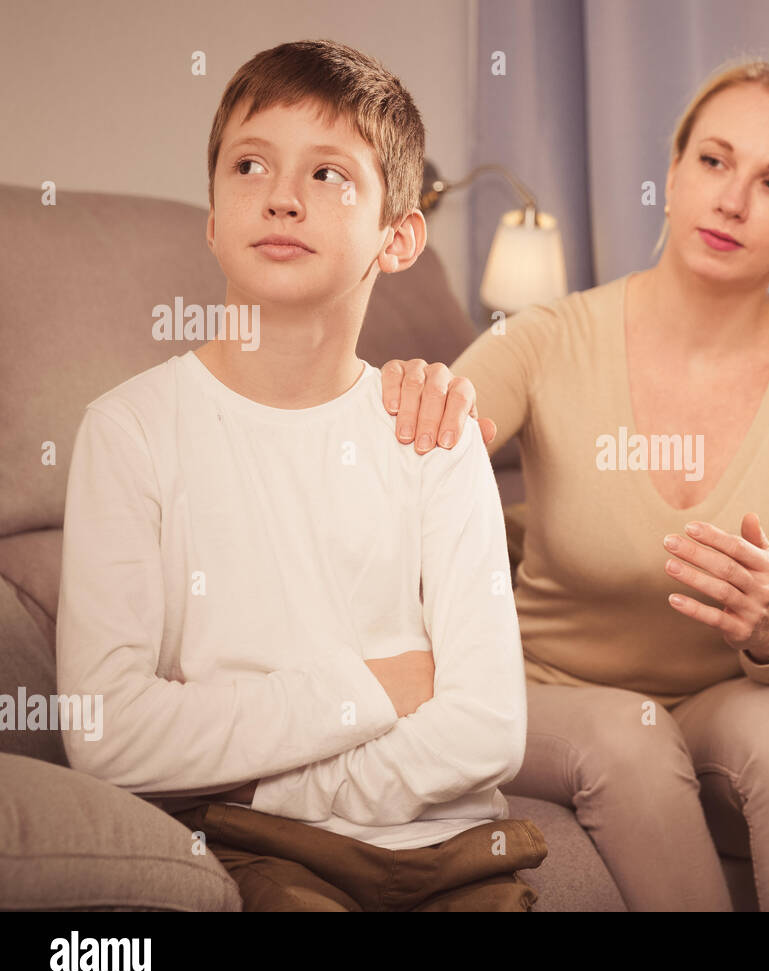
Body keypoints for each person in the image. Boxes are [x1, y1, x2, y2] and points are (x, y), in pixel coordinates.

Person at [383, 57, 769, 910]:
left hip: (720, 700)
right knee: (632, 729)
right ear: (674, 171)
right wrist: (415, 408)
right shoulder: (547, 339)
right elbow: (418, 464)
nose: (731, 199)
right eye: (715, 161)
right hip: (545, 691)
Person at [56, 39, 545, 912]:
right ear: (211, 216)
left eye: (329, 175)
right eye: (250, 165)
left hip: (441, 843)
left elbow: (488, 728)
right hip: (258, 861)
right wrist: (373, 687)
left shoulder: (431, 430)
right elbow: (107, 733)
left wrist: (264, 791)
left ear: (397, 237)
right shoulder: (129, 432)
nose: (282, 196)